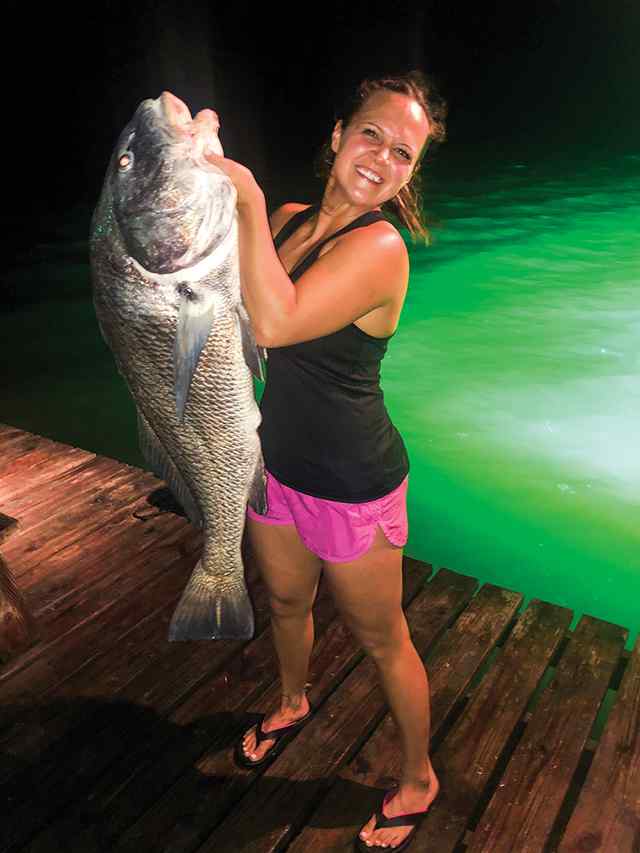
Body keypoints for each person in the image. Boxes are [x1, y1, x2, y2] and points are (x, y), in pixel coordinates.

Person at [205, 70, 446, 852]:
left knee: (384, 640)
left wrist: (240, 192)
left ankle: (418, 779)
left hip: (353, 483)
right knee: (283, 604)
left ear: (409, 174)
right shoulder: (286, 218)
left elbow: (275, 323)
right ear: (340, 133)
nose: (382, 156)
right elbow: (236, 315)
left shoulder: (380, 249)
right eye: (372, 133)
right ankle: (292, 699)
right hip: (278, 465)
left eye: (403, 153)